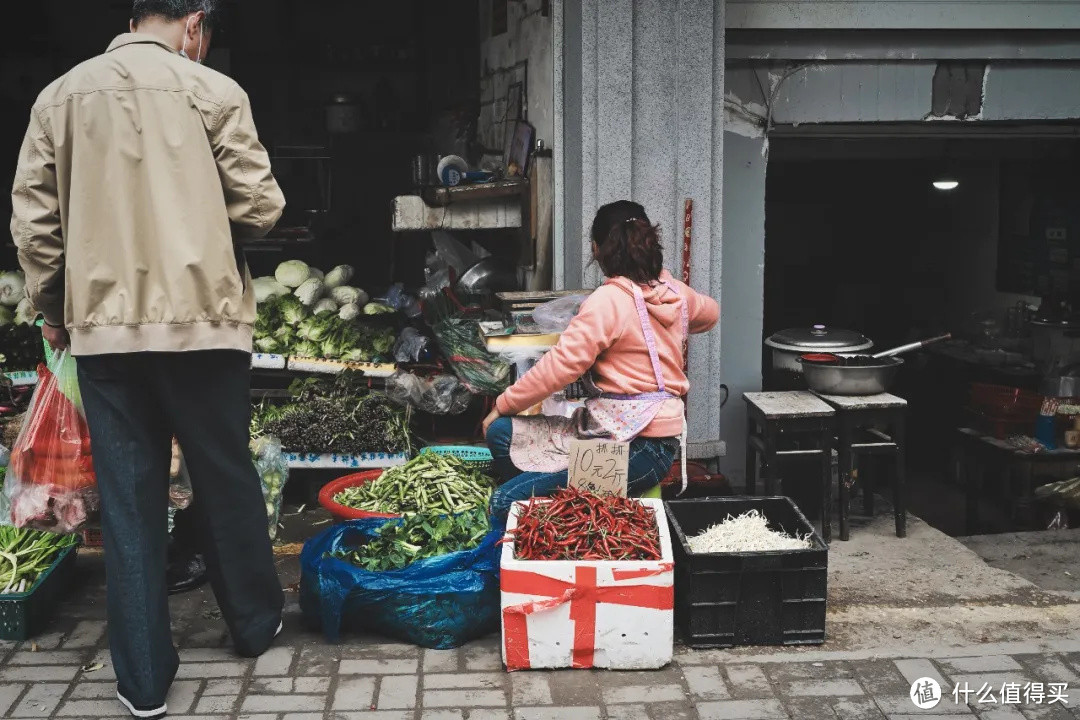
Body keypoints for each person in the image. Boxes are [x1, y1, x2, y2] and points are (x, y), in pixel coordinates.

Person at [10, 1, 286, 717]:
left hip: (105, 333)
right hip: (205, 326)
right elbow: (261, 206)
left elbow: (35, 225)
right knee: (224, 475)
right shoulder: (215, 90)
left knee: (130, 503)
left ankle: (142, 680)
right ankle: (254, 629)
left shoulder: (60, 96)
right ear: (194, 23)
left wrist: (53, 309)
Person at [483, 200, 719, 519]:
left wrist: (503, 403)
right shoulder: (673, 291)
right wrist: (676, 304)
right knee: (502, 434)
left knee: (505, 501)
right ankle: (558, 502)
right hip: (628, 435)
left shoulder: (607, 300)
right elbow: (711, 314)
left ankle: (560, 515)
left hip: (639, 450)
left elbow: (561, 366)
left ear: (596, 249)